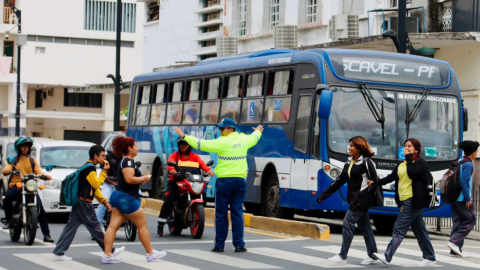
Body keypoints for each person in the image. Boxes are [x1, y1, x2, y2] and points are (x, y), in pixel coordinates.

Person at [174, 118, 263, 253]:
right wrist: (258, 131)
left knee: (221, 214)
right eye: (219, 128)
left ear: (230, 129)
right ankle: (239, 245)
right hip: (239, 182)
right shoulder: (244, 140)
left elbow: (201, 144)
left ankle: (219, 245)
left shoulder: (221, 142)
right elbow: (254, 137)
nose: (220, 131)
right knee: (237, 213)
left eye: (222, 129)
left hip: (224, 183)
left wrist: (184, 136)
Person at [369, 138, 437, 266]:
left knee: (399, 228)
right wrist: (376, 182)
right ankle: (430, 257)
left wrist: (410, 158)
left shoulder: (420, 163)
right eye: (405, 146)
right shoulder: (402, 163)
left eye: (410, 146)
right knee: (420, 230)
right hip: (406, 200)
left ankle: (387, 256)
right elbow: (391, 177)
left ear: (416, 150)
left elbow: (413, 174)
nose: (407, 148)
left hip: (413, 201)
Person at [52, 145, 125, 261]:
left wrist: (104, 201)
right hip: (84, 202)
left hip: (79, 201)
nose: (105, 158)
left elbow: (94, 188)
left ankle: (58, 252)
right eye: (103, 155)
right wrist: (104, 171)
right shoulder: (89, 168)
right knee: (95, 227)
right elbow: (96, 184)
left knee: (70, 227)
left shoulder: (89, 167)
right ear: (95, 156)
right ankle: (110, 250)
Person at [317, 136, 379, 265]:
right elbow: (339, 181)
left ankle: (343, 255)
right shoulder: (349, 162)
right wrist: (323, 195)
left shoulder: (367, 163)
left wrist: (364, 202)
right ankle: (373, 256)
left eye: (352, 146)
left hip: (361, 201)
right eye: (349, 145)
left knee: (347, 223)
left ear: (359, 148)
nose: (349, 148)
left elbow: (375, 184)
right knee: (366, 227)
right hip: (354, 200)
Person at [103, 137, 166, 263]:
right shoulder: (128, 162)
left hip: (118, 196)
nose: (137, 148)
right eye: (135, 146)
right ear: (129, 148)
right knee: (142, 226)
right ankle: (150, 253)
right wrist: (143, 178)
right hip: (126, 198)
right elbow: (129, 179)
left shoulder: (124, 160)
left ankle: (107, 255)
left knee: (112, 227)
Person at [157, 137, 215, 236]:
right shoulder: (174, 156)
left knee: (203, 194)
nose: (183, 146)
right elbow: (170, 165)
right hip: (176, 182)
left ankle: (196, 213)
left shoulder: (194, 157)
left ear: (189, 146)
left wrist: (208, 171)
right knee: (168, 200)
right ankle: (161, 225)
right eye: (181, 144)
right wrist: (172, 170)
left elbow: (202, 165)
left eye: (185, 144)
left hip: (191, 182)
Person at [2, 136, 54, 243]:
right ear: (18, 148)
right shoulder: (13, 161)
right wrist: (9, 171)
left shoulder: (32, 161)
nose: (25, 149)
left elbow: (38, 172)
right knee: (7, 197)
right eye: (23, 146)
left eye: (27, 147)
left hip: (30, 186)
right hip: (16, 185)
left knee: (41, 209)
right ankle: (9, 220)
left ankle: (46, 235)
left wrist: (45, 176)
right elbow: (6, 170)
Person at [447, 140, 479, 257]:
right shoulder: (469, 164)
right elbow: (465, 182)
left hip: (454, 197)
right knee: (471, 220)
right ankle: (454, 241)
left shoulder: (459, 161)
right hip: (462, 198)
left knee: (458, 222)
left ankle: (455, 249)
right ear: (473, 152)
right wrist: (468, 198)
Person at [95, 137, 122, 230]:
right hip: (109, 184)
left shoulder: (126, 158)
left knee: (138, 195)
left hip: (122, 185)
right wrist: (112, 183)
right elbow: (103, 174)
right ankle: (98, 226)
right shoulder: (107, 158)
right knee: (104, 200)